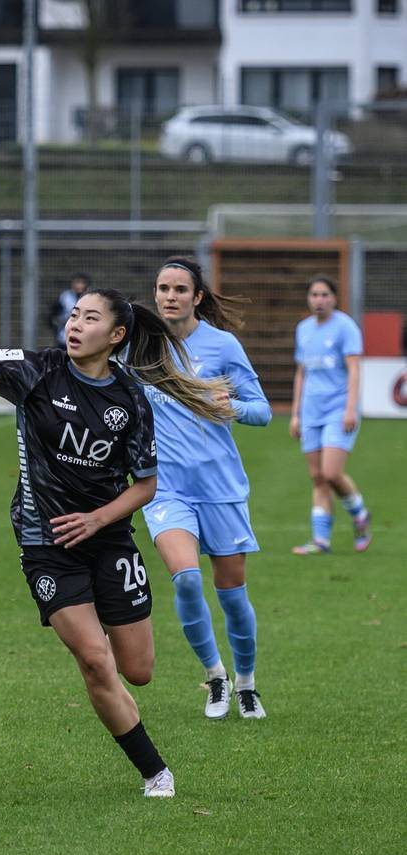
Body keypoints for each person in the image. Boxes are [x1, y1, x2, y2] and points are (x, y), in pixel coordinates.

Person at [0, 287, 234, 799]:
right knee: (95, 661)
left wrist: (97, 519)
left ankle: (117, 668)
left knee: (138, 671)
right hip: (46, 542)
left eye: (90, 318)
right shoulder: (38, 368)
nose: (75, 324)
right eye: (74, 315)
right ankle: (155, 772)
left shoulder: (130, 397)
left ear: (116, 335)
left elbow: (145, 486)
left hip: (110, 539)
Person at [142, 257, 271, 722]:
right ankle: (215, 675)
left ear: (197, 297)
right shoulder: (142, 346)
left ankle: (247, 683)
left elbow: (263, 412)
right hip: (166, 490)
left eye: (180, 289)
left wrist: (231, 405)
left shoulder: (223, 345)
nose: (169, 296)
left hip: (220, 489)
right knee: (188, 578)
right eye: (163, 288)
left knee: (233, 595)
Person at [289, 276, 371, 555]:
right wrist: (295, 414)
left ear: (334, 298)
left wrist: (350, 409)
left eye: (324, 294)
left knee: (331, 472)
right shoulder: (303, 329)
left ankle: (360, 514)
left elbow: (355, 369)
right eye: (314, 294)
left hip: (338, 409)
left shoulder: (346, 327)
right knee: (317, 477)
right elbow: (302, 373)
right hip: (311, 411)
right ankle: (320, 540)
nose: (319, 300)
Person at [48, 272, 90, 349]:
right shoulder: (65, 297)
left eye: (82, 283)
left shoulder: (90, 297)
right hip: (64, 336)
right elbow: (53, 315)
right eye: (77, 282)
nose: (79, 285)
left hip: (84, 335)